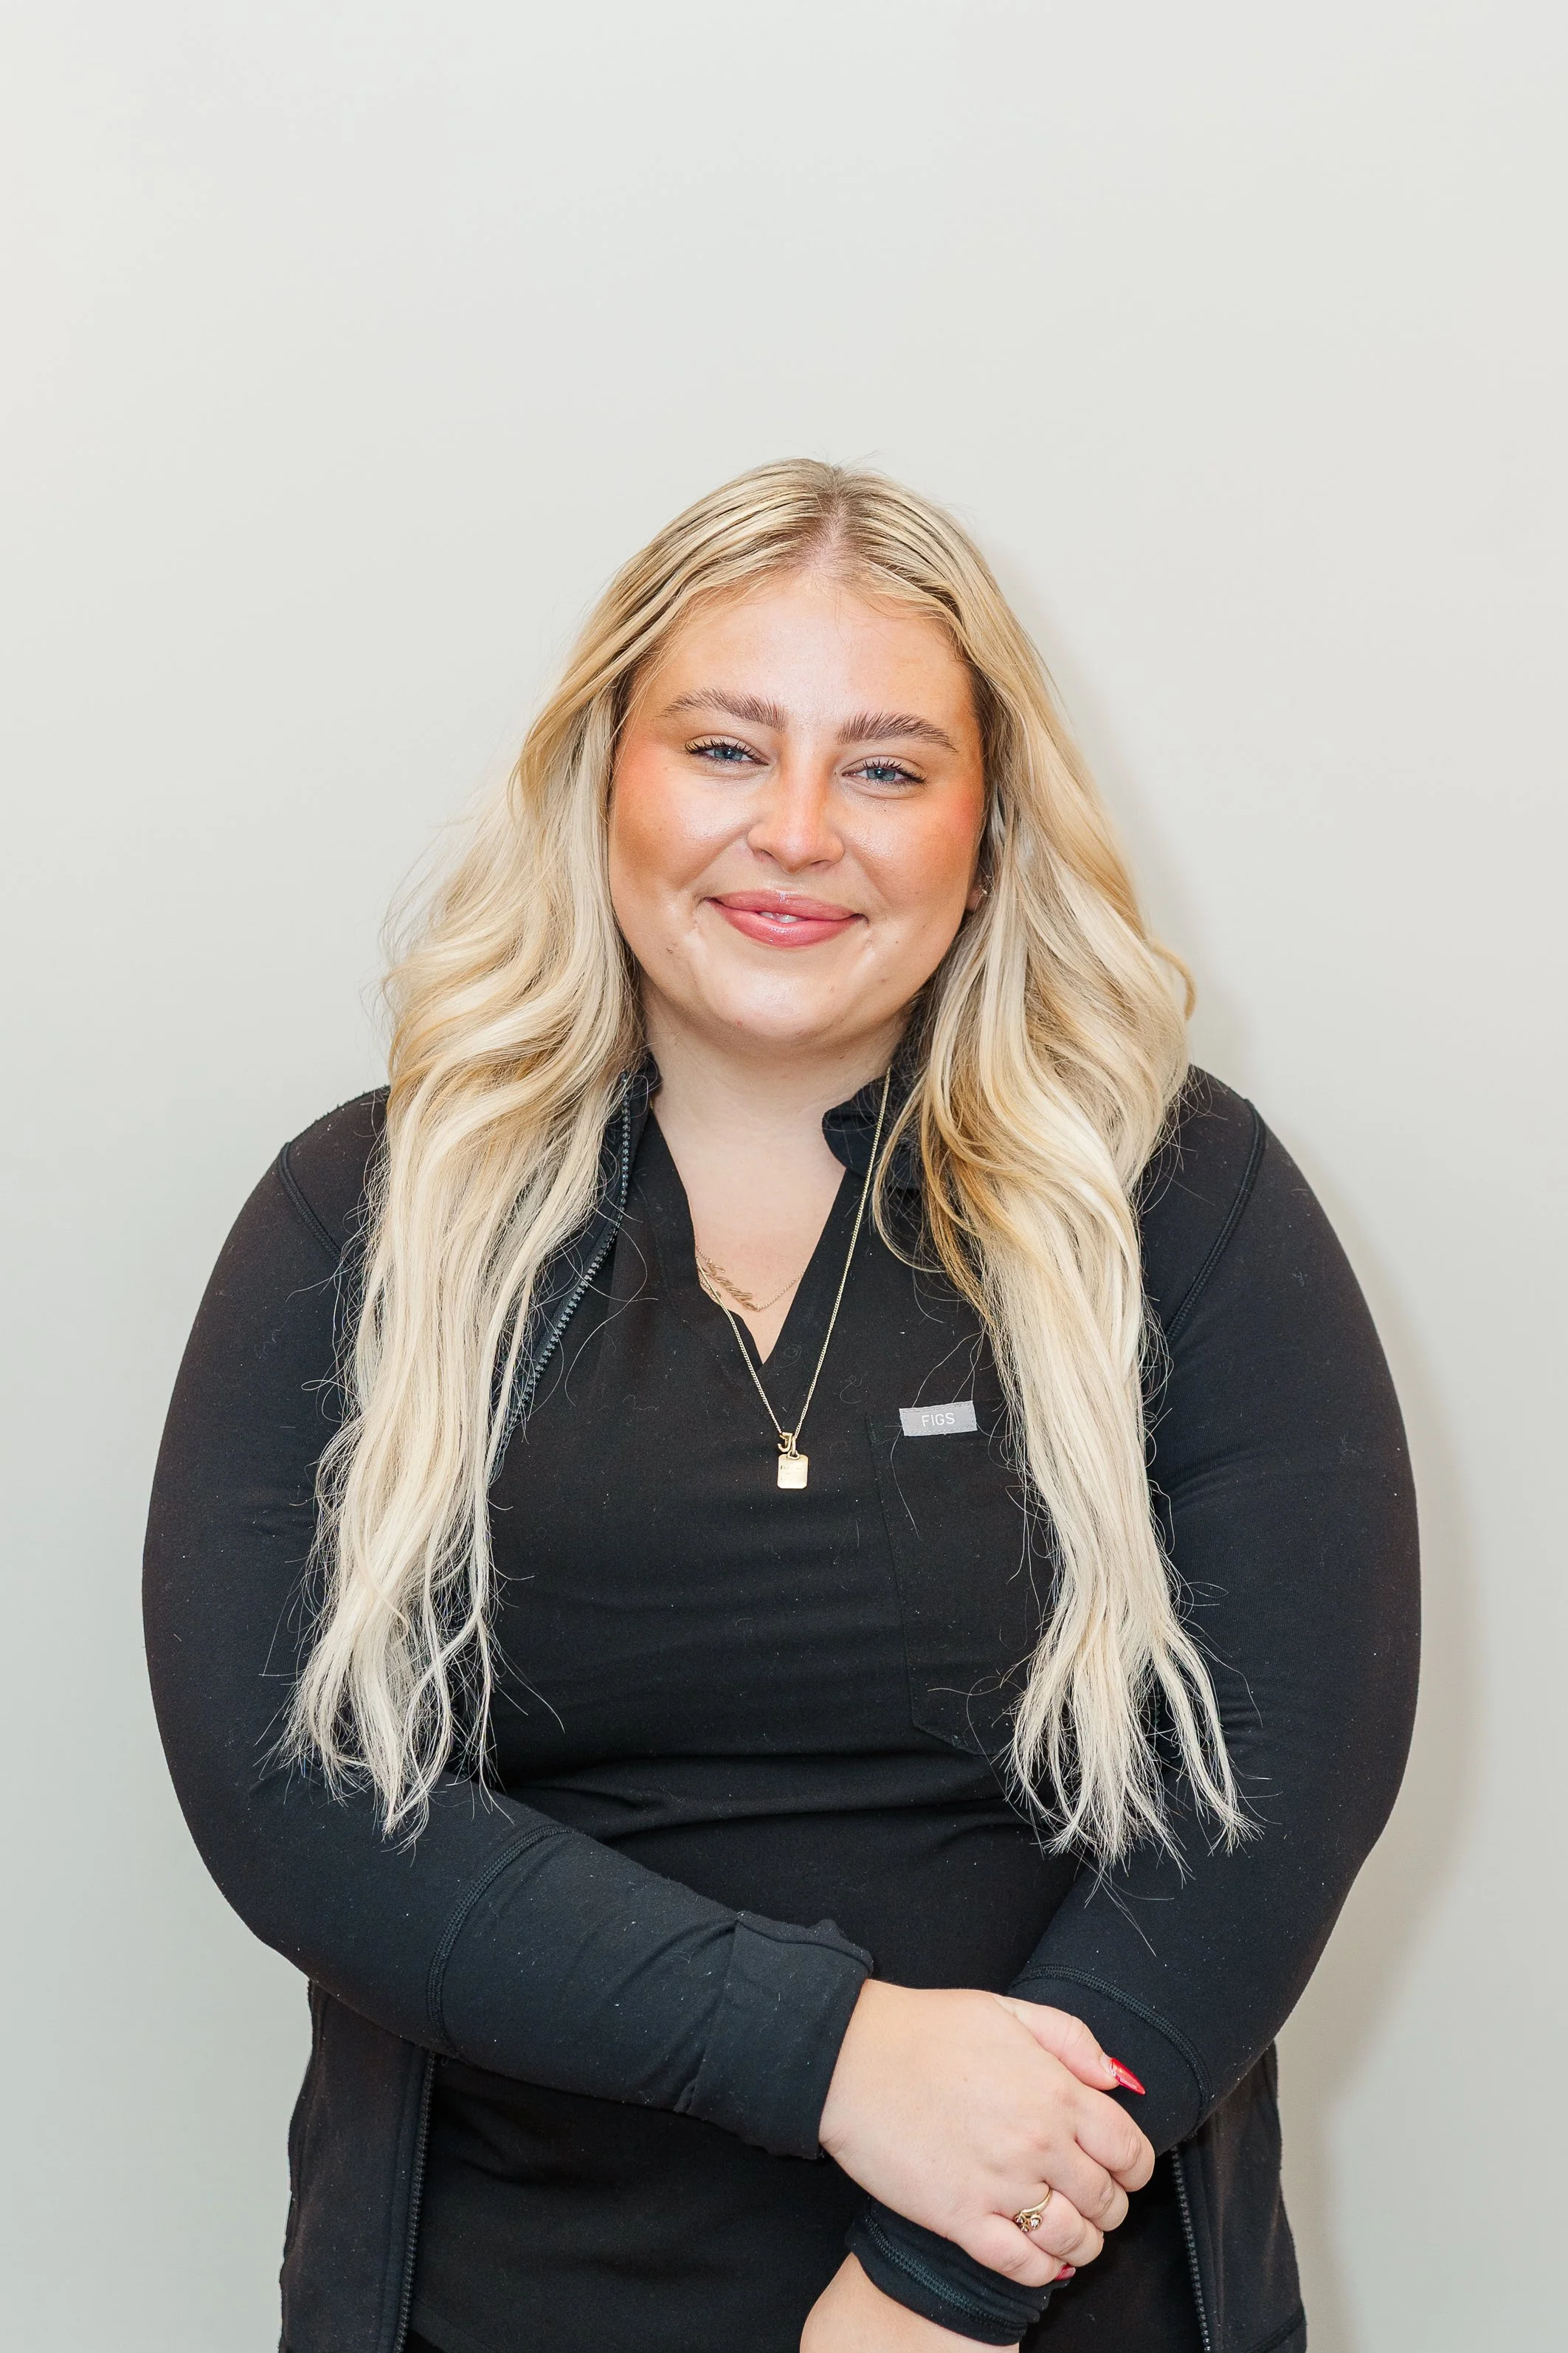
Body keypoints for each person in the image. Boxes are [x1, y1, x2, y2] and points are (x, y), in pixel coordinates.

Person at [144, 460, 1419, 2353]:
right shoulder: (362, 1215)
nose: (800, 832)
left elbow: (1276, 1792)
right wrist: (834, 2056)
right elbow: (295, 1795)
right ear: (603, 780)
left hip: (1051, 2310)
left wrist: (941, 2289)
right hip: (500, 2305)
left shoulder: (1176, 1196)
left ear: (985, 832)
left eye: (890, 766)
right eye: (727, 748)